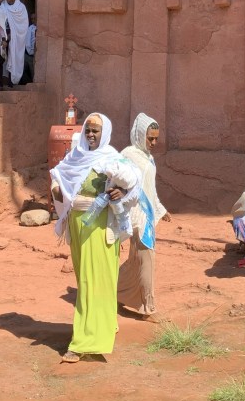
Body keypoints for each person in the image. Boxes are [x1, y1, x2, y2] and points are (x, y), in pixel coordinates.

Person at [51, 113, 140, 362]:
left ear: (105, 133)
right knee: (86, 279)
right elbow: (58, 176)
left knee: (94, 281)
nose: (90, 135)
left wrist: (121, 191)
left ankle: (84, 341)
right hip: (78, 224)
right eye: (88, 130)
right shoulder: (75, 156)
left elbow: (135, 185)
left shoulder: (112, 158)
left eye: (95, 131)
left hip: (100, 226)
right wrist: (57, 190)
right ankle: (105, 322)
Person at [117, 114, 171, 318]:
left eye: (156, 138)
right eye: (150, 138)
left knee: (135, 261)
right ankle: (149, 307)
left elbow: (151, 189)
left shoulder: (148, 157)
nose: (154, 143)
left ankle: (114, 292)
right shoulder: (128, 155)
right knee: (147, 259)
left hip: (147, 214)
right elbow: (117, 182)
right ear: (140, 135)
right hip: (135, 215)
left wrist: (161, 209)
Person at [0, 0, 29, 87]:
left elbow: (24, 24)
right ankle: (1, 82)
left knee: (14, 57)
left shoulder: (21, 7)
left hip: (17, 37)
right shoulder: (2, 6)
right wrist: (5, 37)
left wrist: (14, 34)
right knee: (2, 58)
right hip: (3, 36)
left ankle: (12, 82)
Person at [20, 13, 37, 84]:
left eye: (34, 18)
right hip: (29, 55)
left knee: (34, 73)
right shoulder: (30, 28)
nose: (33, 20)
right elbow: (27, 43)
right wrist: (32, 52)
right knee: (22, 71)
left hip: (36, 55)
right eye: (32, 19)